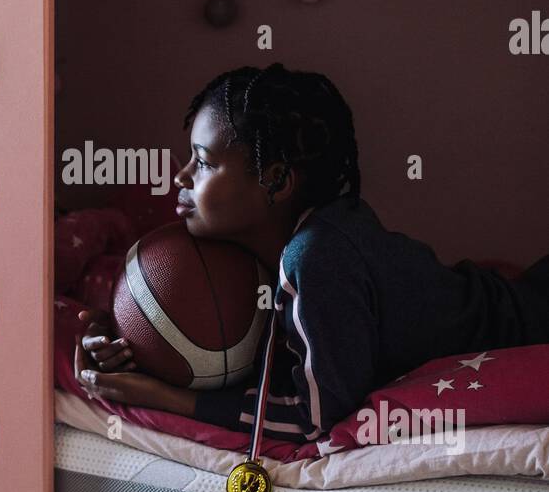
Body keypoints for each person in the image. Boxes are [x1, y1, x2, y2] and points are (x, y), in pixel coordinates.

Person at [75, 62, 549, 447]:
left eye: (204, 163)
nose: (181, 179)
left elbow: (315, 420)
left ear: (276, 181)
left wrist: (167, 397)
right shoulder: (262, 240)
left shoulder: (317, 256)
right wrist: (124, 345)